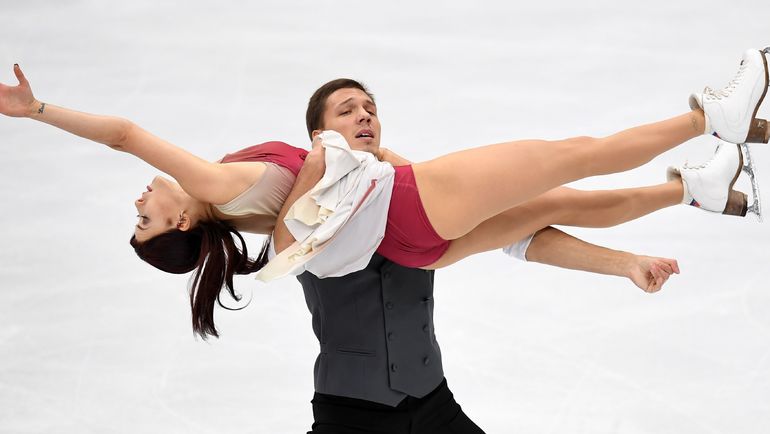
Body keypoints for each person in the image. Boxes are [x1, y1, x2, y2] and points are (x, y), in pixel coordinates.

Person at [0, 48, 765, 338]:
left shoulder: (242, 203)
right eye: (142, 220)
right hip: (407, 211)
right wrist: (39, 112)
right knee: (572, 158)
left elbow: (332, 204)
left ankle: (693, 190)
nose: (140, 199)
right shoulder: (214, 186)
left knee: (548, 208)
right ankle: (712, 115)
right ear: (175, 223)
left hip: (412, 238)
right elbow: (126, 132)